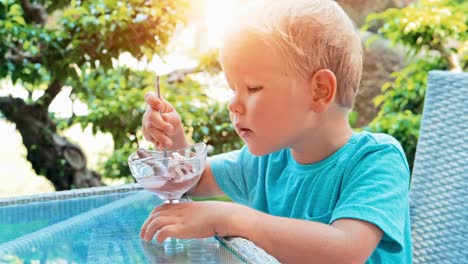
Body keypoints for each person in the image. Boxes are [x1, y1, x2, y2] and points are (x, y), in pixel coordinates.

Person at [139, 0, 412, 263]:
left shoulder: (375, 160)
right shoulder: (267, 161)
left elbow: (345, 251)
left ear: (319, 91)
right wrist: (173, 137)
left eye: (253, 88)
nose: (232, 104)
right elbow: (195, 182)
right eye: (233, 88)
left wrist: (232, 219)